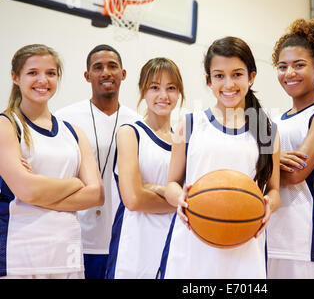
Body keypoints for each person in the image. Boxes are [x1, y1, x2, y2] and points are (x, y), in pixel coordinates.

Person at [158, 36, 281, 279]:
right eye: (219, 76)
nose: (228, 84)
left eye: (237, 74)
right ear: (208, 80)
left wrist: (269, 207)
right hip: (194, 242)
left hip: (245, 243)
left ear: (251, 77)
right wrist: (179, 198)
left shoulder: (267, 131)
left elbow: (275, 190)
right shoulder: (189, 124)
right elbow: (171, 184)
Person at [0, 44, 103, 279]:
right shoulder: (7, 125)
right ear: (15, 77)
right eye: (33, 72)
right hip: (20, 255)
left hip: (67, 253)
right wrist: (76, 183)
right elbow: (27, 190)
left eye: (51, 73)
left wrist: (37, 189)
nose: (42, 80)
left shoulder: (74, 132)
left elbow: (96, 194)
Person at [54, 44, 141, 279]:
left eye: (112, 66)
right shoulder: (63, 119)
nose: (106, 72)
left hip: (121, 238)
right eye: (98, 67)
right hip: (74, 237)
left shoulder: (138, 123)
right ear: (87, 75)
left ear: (123, 74)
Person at [266, 17, 314, 279]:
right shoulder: (273, 120)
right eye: (282, 66)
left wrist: (267, 162)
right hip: (267, 233)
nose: (289, 73)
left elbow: (296, 173)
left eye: (299, 65)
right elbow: (256, 173)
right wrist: (274, 161)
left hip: (305, 239)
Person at [105, 57, 185, 278]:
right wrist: (180, 203)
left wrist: (156, 188)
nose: (163, 95)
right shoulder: (130, 132)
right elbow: (133, 199)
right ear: (142, 91)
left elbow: (193, 195)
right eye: (154, 87)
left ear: (179, 93)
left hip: (175, 238)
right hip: (136, 241)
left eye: (171, 88)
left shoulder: (185, 138)